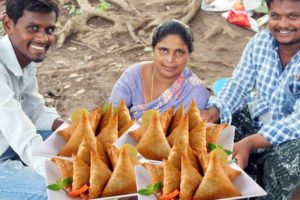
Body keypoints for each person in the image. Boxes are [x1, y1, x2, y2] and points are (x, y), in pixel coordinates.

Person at [201, 0, 300, 199]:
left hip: (292, 135)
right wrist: (215, 110)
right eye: (275, 16)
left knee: (287, 164)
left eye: (293, 16)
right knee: (211, 131)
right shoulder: (260, 43)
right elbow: (238, 84)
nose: (283, 24)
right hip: (258, 119)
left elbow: (297, 121)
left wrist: (250, 143)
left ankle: (268, 193)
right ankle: (244, 178)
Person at [0, 0, 64, 199]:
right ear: (8, 25)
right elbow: (20, 131)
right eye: (33, 28)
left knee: (86, 149)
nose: (43, 38)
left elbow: (33, 110)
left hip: (10, 145)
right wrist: (59, 175)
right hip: (7, 151)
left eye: (49, 30)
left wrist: (70, 129)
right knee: (59, 192)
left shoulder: (23, 58)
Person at [110, 19, 209, 119]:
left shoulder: (195, 93)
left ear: (188, 55)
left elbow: (187, 132)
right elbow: (111, 116)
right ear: (153, 50)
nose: (170, 59)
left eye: (179, 52)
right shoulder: (134, 75)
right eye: (164, 50)